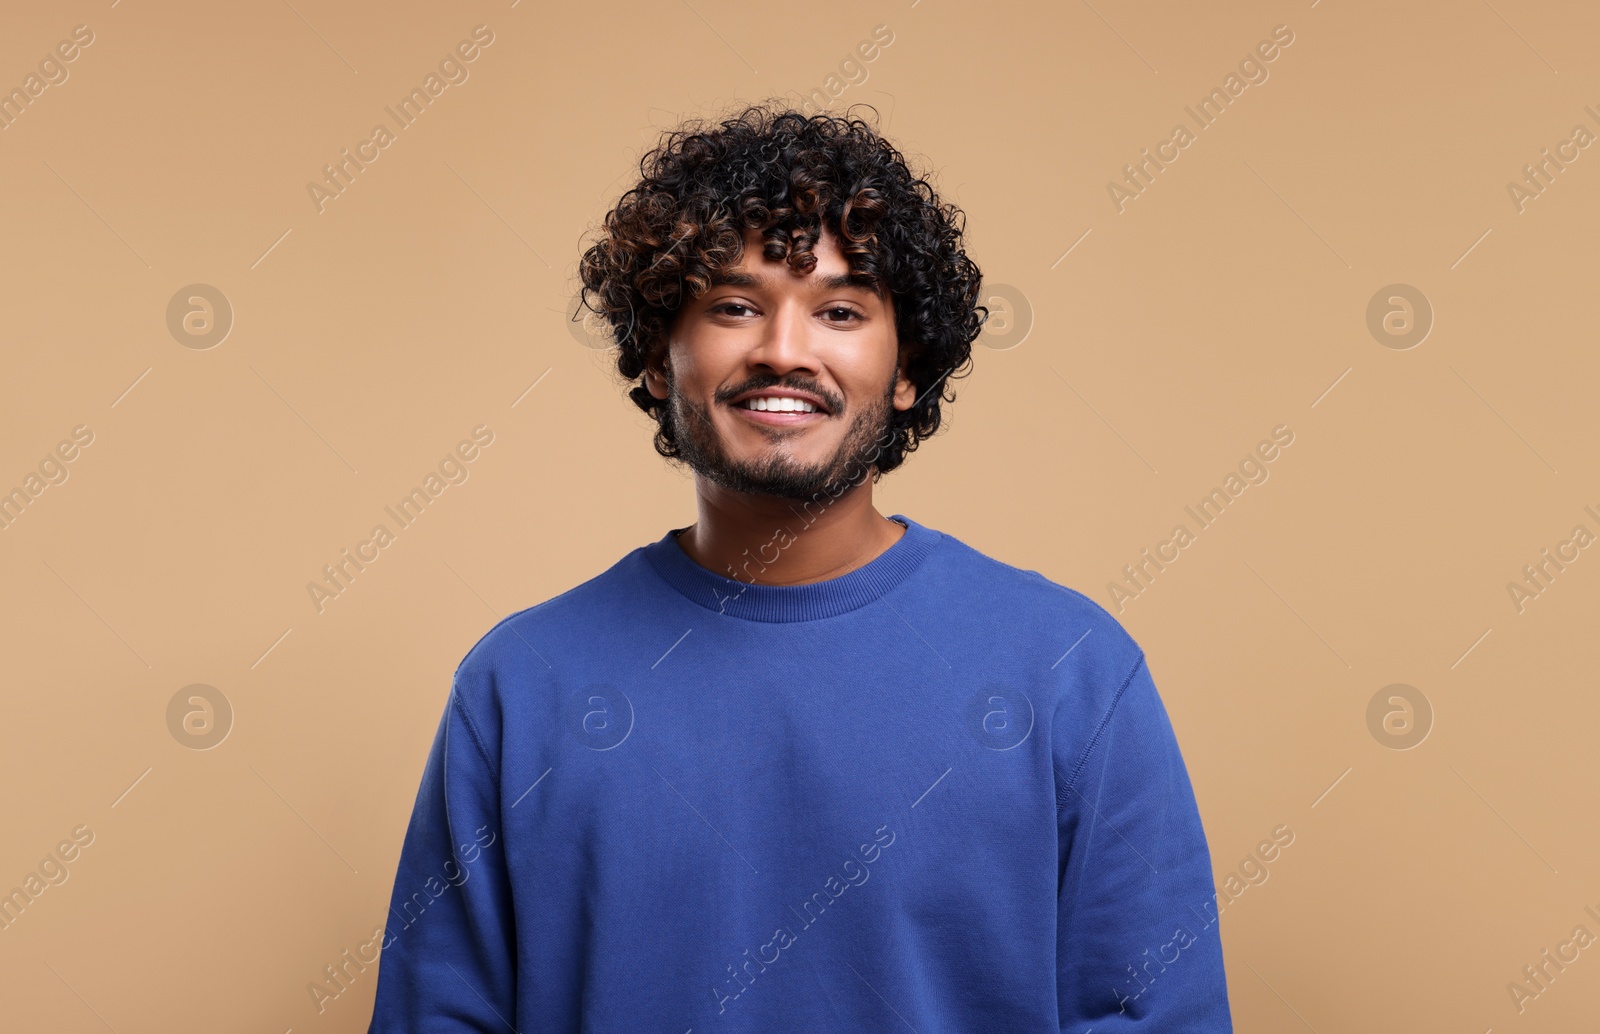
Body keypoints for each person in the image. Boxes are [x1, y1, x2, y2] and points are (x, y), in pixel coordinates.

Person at [367, 102, 1234, 1033]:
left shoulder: (1071, 671)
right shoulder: (519, 685)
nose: (784, 351)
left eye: (841, 311)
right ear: (660, 358)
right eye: (734, 306)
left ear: (908, 370)